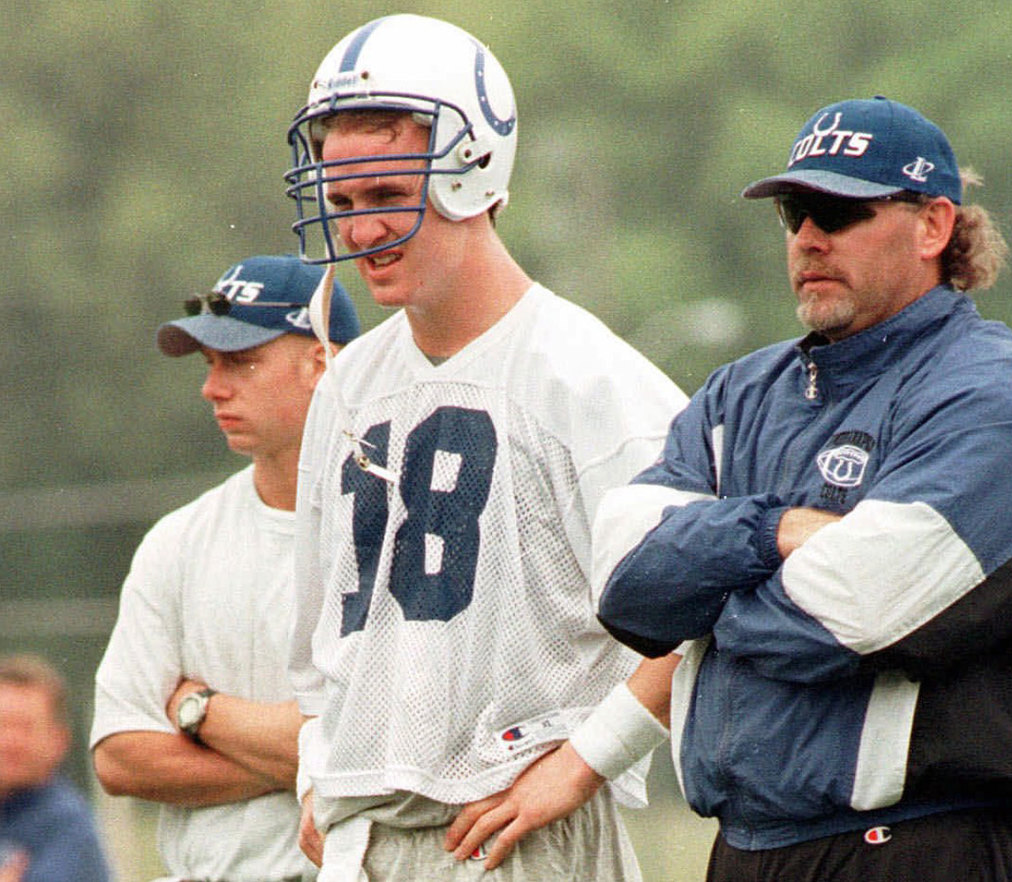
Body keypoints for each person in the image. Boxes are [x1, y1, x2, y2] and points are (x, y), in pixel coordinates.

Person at [592, 96, 1012, 881]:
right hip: (746, 846)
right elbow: (625, 583)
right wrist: (772, 534)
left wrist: (705, 604)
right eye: (795, 212)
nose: (807, 237)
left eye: (839, 211)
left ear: (934, 227)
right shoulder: (739, 392)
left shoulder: (999, 395)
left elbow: (856, 614)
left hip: (922, 846)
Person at [281, 13, 688, 881]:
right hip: (364, 842)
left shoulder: (593, 383)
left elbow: (698, 625)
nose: (357, 232)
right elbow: (324, 637)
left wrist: (583, 764)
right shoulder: (349, 386)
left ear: (473, 174)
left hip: (515, 837)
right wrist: (321, 769)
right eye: (343, 201)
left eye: (386, 195)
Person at [89, 255, 360, 882]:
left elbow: (398, 743)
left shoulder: (396, 527)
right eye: (211, 365)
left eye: (241, 361)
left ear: (322, 363)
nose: (213, 388)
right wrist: (315, 765)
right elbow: (122, 756)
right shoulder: (179, 540)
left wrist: (200, 713)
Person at [0, 653, 113, 882]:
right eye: (1, 724)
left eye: (26, 727)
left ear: (60, 740)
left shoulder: (68, 825)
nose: (11, 742)